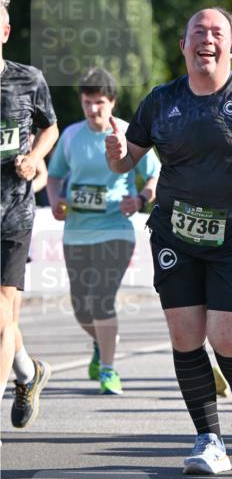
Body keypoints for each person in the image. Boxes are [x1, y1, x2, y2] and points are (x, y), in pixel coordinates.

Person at [105, 7, 232, 475]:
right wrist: (115, 154)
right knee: (185, 335)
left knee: (228, 337)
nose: (206, 39)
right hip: (175, 233)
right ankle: (208, 439)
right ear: (184, 45)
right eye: (198, 31)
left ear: (231, 48)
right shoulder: (161, 101)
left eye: (216, 33)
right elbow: (125, 161)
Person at [46, 68, 160, 394]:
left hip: (115, 229)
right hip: (76, 231)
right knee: (81, 307)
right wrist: (56, 202)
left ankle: (108, 370)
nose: (93, 109)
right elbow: (54, 176)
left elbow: (155, 176)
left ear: (112, 101)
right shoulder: (71, 136)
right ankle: (103, 341)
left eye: (99, 102)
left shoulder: (128, 134)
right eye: (87, 102)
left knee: (101, 299)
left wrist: (140, 199)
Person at [0, 0, 59, 428]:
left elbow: (49, 127)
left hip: (12, 215)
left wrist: (35, 158)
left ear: (4, 33)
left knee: (3, 318)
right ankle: (28, 373)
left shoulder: (27, 79)